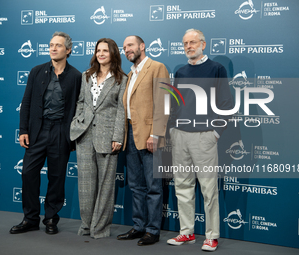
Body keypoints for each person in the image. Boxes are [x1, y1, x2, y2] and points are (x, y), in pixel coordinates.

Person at [166, 29, 234, 251]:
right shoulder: (181, 71)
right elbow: (176, 104)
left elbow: (226, 104)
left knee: (208, 189)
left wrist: (215, 134)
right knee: (183, 186)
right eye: (185, 43)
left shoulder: (216, 69)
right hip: (181, 137)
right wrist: (173, 130)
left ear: (203, 44)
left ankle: (211, 235)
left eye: (193, 42)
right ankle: (186, 232)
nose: (188, 46)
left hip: (205, 136)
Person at [10, 32, 82, 235]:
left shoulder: (76, 76)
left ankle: (51, 218)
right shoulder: (36, 71)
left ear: (68, 50)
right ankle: (30, 218)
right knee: (28, 173)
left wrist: (73, 136)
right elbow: (26, 103)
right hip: (37, 131)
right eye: (51, 45)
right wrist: (23, 130)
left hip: (61, 131)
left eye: (58, 45)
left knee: (57, 177)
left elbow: (79, 108)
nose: (53, 48)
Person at [70, 38, 127, 239]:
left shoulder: (121, 78)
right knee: (85, 185)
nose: (101, 53)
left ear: (113, 54)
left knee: (105, 185)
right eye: (98, 50)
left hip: (108, 137)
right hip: (84, 135)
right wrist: (78, 121)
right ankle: (86, 225)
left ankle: (100, 228)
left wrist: (118, 137)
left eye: (105, 50)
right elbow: (81, 101)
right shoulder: (87, 75)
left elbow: (121, 109)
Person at [116, 35, 169, 246]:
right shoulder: (131, 73)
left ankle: (153, 230)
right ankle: (139, 226)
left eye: (130, 45)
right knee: (136, 186)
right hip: (130, 135)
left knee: (153, 187)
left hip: (150, 136)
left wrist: (156, 134)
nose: (126, 49)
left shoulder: (157, 67)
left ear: (142, 46)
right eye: (124, 47)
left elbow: (165, 103)